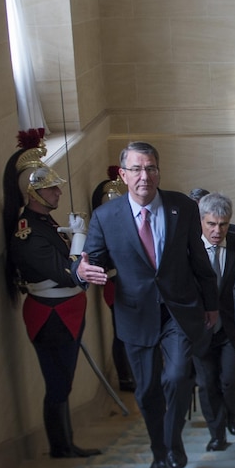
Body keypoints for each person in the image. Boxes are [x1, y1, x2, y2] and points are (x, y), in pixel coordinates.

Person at [74, 142, 219, 468]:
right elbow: (90, 260)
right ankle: (159, 451)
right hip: (135, 314)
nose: (145, 176)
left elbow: (199, 260)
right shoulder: (106, 216)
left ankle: (173, 441)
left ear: (158, 171)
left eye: (151, 168)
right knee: (147, 389)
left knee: (179, 375)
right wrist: (81, 272)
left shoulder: (181, 206)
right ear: (123, 175)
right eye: (137, 169)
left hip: (179, 310)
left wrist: (211, 304)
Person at [2, 129, 101, 459]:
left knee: (64, 383)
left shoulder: (44, 224)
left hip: (65, 312)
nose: (58, 192)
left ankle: (65, 443)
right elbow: (66, 273)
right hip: (52, 315)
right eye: (50, 188)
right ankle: (61, 445)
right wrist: (78, 239)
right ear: (33, 194)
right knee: (58, 385)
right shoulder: (28, 233)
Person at [193, 193, 235, 451]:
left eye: (223, 224)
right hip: (201, 330)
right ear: (201, 221)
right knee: (206, 384)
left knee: (229, 381)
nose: (217, 230)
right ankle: (217, 435)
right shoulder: (188, 246)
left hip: (232, 330)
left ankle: (234, 409)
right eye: (211, 224)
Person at [90, 166, 135, 393]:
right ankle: (125, 377)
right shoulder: (102, 226)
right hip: (115, 283)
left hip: (130, 282)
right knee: (121, 332)